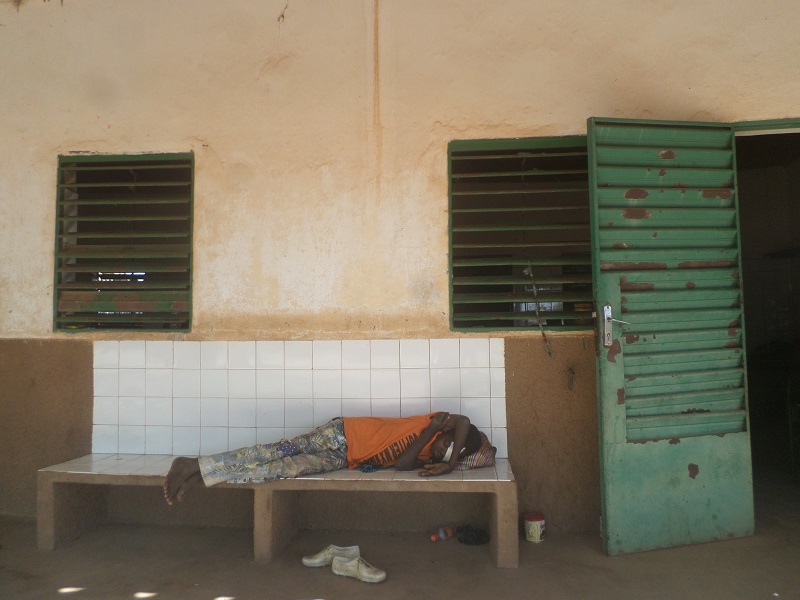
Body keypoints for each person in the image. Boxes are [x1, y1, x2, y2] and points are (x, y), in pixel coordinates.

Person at [163, 412, 482, 506]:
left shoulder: (424, 455)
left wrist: (443, 459)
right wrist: (450, 458)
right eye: (449, 444)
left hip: (345, 459)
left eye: (451, 453)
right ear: (451, 432)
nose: (444, 450)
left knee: (279, 470)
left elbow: (401, 466)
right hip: (344, 433)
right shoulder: (441, 419)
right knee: (273, 452)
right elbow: (465, 419)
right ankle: (191, 464)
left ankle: (204, 473)